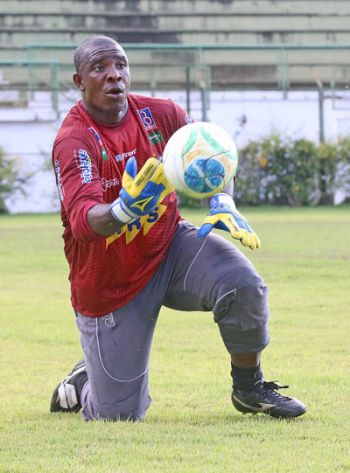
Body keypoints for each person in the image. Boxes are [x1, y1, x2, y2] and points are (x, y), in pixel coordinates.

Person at [50, 35, 306, 421]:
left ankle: (250, 388)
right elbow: (83, 220)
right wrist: (122, 210)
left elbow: (214, 152)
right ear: (79, 81)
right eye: (99, 68)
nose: (114, 75)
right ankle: (83, 382)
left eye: (120, 65)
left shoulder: (161, 114)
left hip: (170, 249)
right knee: (117, 417)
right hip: (109, 282)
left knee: (242, 283)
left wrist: (223, 200)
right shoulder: (74, 140)